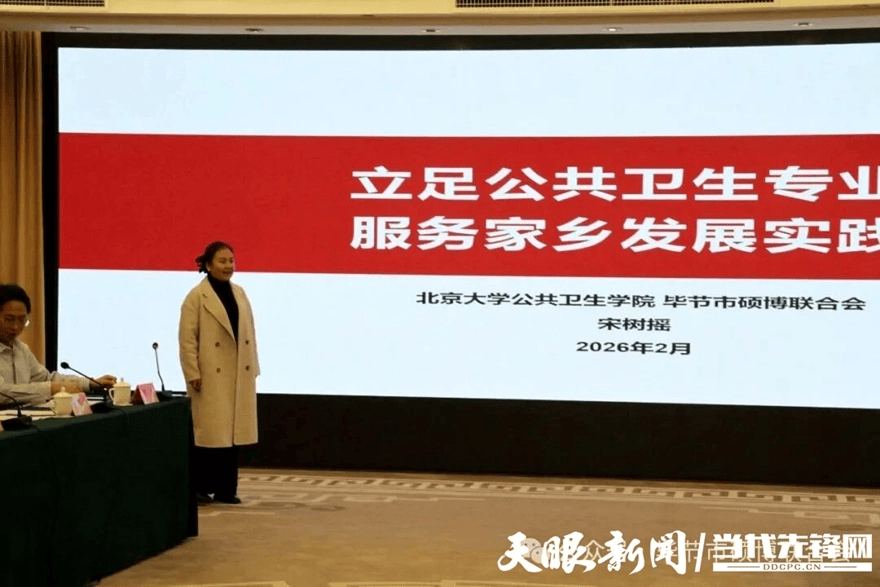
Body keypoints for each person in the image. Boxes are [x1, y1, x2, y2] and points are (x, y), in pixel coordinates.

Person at [178, 241, 259, 505]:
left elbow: (249, 333)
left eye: (231, 261)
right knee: (209, 435)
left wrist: (253, 367)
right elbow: (187, 339)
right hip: (209, 375)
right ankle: (201, 487)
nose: (228, 266)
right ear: (208, 264)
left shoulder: (240, 293)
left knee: (231, 436)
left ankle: (226, 489)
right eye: (222, 261)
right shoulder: (196, 296)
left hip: (237, 373)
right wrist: (192, 372)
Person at [0, 283, 116, 407]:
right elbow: (2, 392)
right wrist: (50, 388)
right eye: (9, 319)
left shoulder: (21, 349)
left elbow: (47, 379)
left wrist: (90, 383)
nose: (16, 326)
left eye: (22, 319)